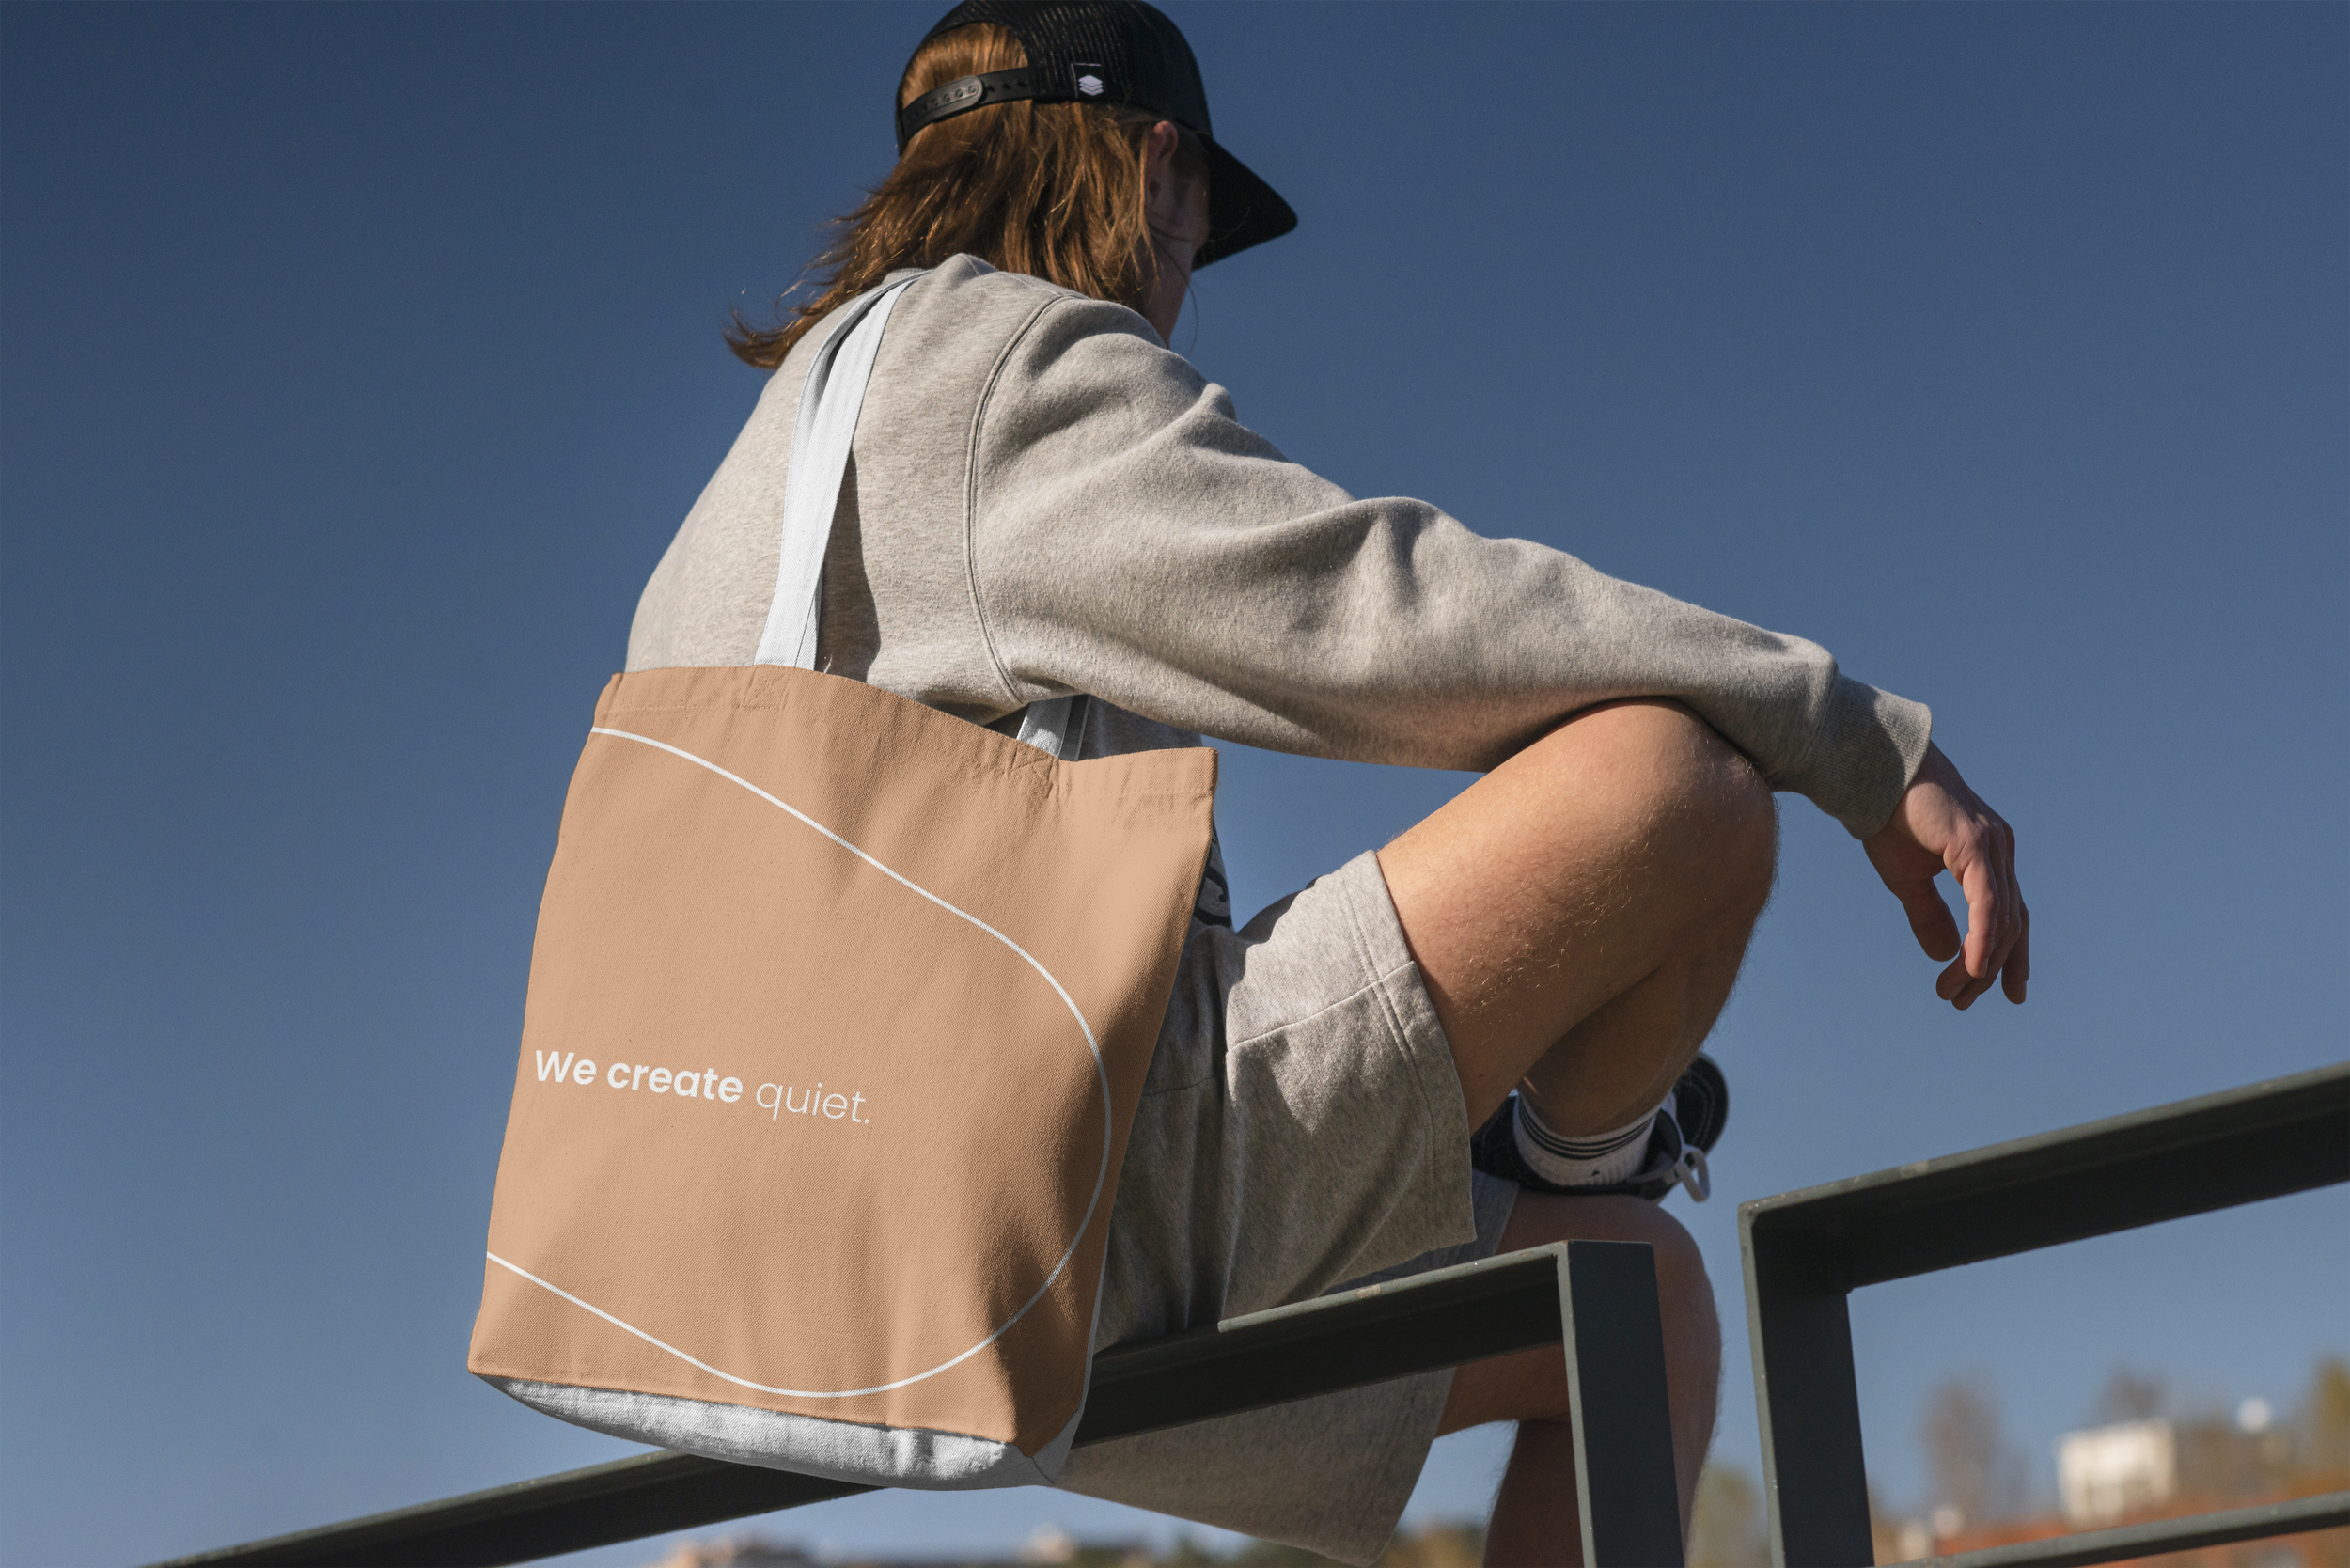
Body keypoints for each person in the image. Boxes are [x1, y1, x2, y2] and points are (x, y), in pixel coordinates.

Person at [627, 3, 2030, 1563]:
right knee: (1680, 784)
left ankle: (1582, 1168)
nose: (1177, 298)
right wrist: (1852, 738)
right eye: (1198, 234)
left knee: (1641, 1299)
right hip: (1061, 1222)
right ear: (1160, 172)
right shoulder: (1004, 371)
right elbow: (1382, 617)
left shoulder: (746, 480)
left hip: (771, 1270)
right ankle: (1583, 1145)